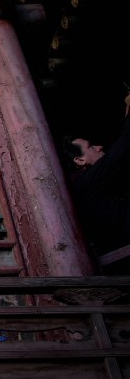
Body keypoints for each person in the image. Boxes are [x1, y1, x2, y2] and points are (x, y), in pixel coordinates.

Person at [61, 95, 130, 257]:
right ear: (79, 160)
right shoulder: (85, 184)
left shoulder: (91, 184)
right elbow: (121, 149)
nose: (99, 147)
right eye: (90, 146)